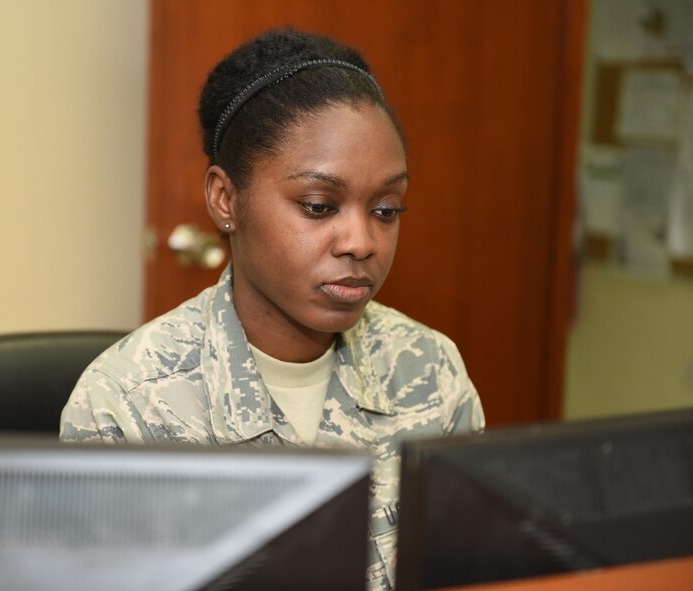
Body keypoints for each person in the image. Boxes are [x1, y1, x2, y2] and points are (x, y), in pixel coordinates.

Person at [60, 28, 484, 591]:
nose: (361, 242)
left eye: (386, 209)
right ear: (225, 199)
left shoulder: (429, 367)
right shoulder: (125, 404)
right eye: (318, 206)